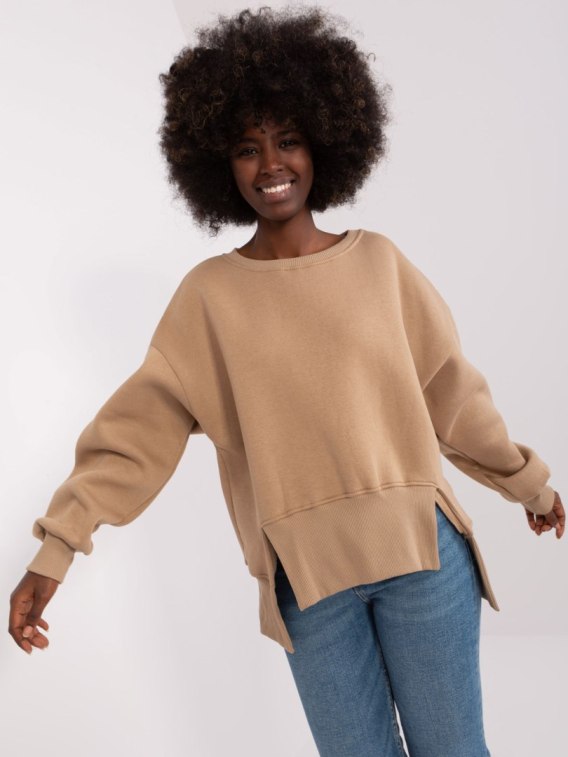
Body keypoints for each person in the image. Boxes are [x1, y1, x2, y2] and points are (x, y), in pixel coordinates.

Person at [9, 5, 564, 756]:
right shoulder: (208, 299)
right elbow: (133, 440)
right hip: (307, 585)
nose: (271, 164)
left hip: (424, 560)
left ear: (325, 144)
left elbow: (454, 399)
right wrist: (56, 551)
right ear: (219, 163)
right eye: (248, 148)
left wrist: (529, 486)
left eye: (289, 140)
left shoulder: (379, 264)